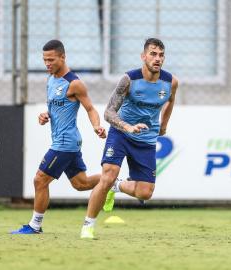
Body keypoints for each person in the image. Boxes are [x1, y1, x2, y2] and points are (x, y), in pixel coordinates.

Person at [80, 38, 178, 239]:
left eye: (161, 55)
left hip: (147, 140)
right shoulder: (129, 79)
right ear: (143, 57)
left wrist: (164, 125)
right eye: (153, 54)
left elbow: (170, 100)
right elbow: (108, 112)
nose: (157, 58)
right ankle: (88, 226)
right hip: (121, 134)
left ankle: (116, 186)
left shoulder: (170, 82)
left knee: (145, 192)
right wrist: (127, 127)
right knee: (107, 175)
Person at [11, 39, 107, 234]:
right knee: (81, 184)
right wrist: (45, 115)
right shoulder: (51, 78)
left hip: (65, 142)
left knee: (40, 180)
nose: (47, 64)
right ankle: (112, 182)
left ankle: (34, 225)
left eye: (51, 60)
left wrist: (97, 126)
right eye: (44, 60)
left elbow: (90, 108)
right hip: (65, 142)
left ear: (63, 57)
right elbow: (56, 106)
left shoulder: (75, 84)